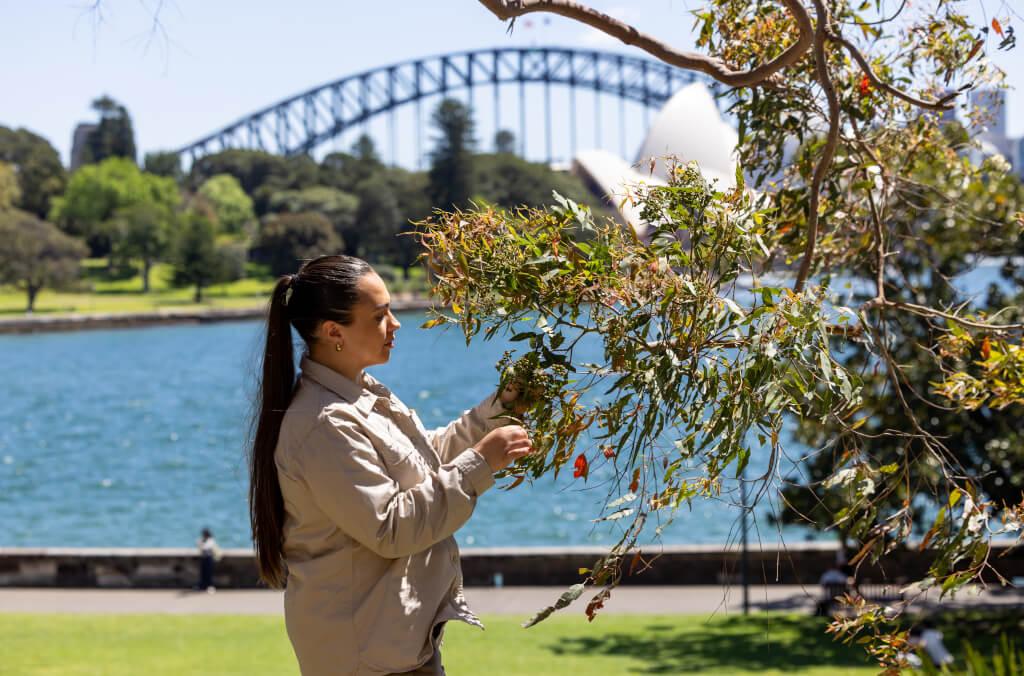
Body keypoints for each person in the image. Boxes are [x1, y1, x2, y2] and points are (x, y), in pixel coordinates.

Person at [248, 255, 533, 675]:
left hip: (394, 645)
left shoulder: (358, 395)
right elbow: (390, 526)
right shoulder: (324, 423)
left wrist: (501, 409)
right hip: (364, 657)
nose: (396, 324)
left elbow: (424, 461)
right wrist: (482, 461)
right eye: (380, 315)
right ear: (333, 332)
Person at [196, 527, 221, 593]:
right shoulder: (202, 540)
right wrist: (201, 543)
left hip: (209, 558)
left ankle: (210, 586)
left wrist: (201, 544)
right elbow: (199, 546)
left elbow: (206, 547)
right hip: (203, 558)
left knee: (209, 573)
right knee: (203, 573)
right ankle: (202, 586)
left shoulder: (211, 540)